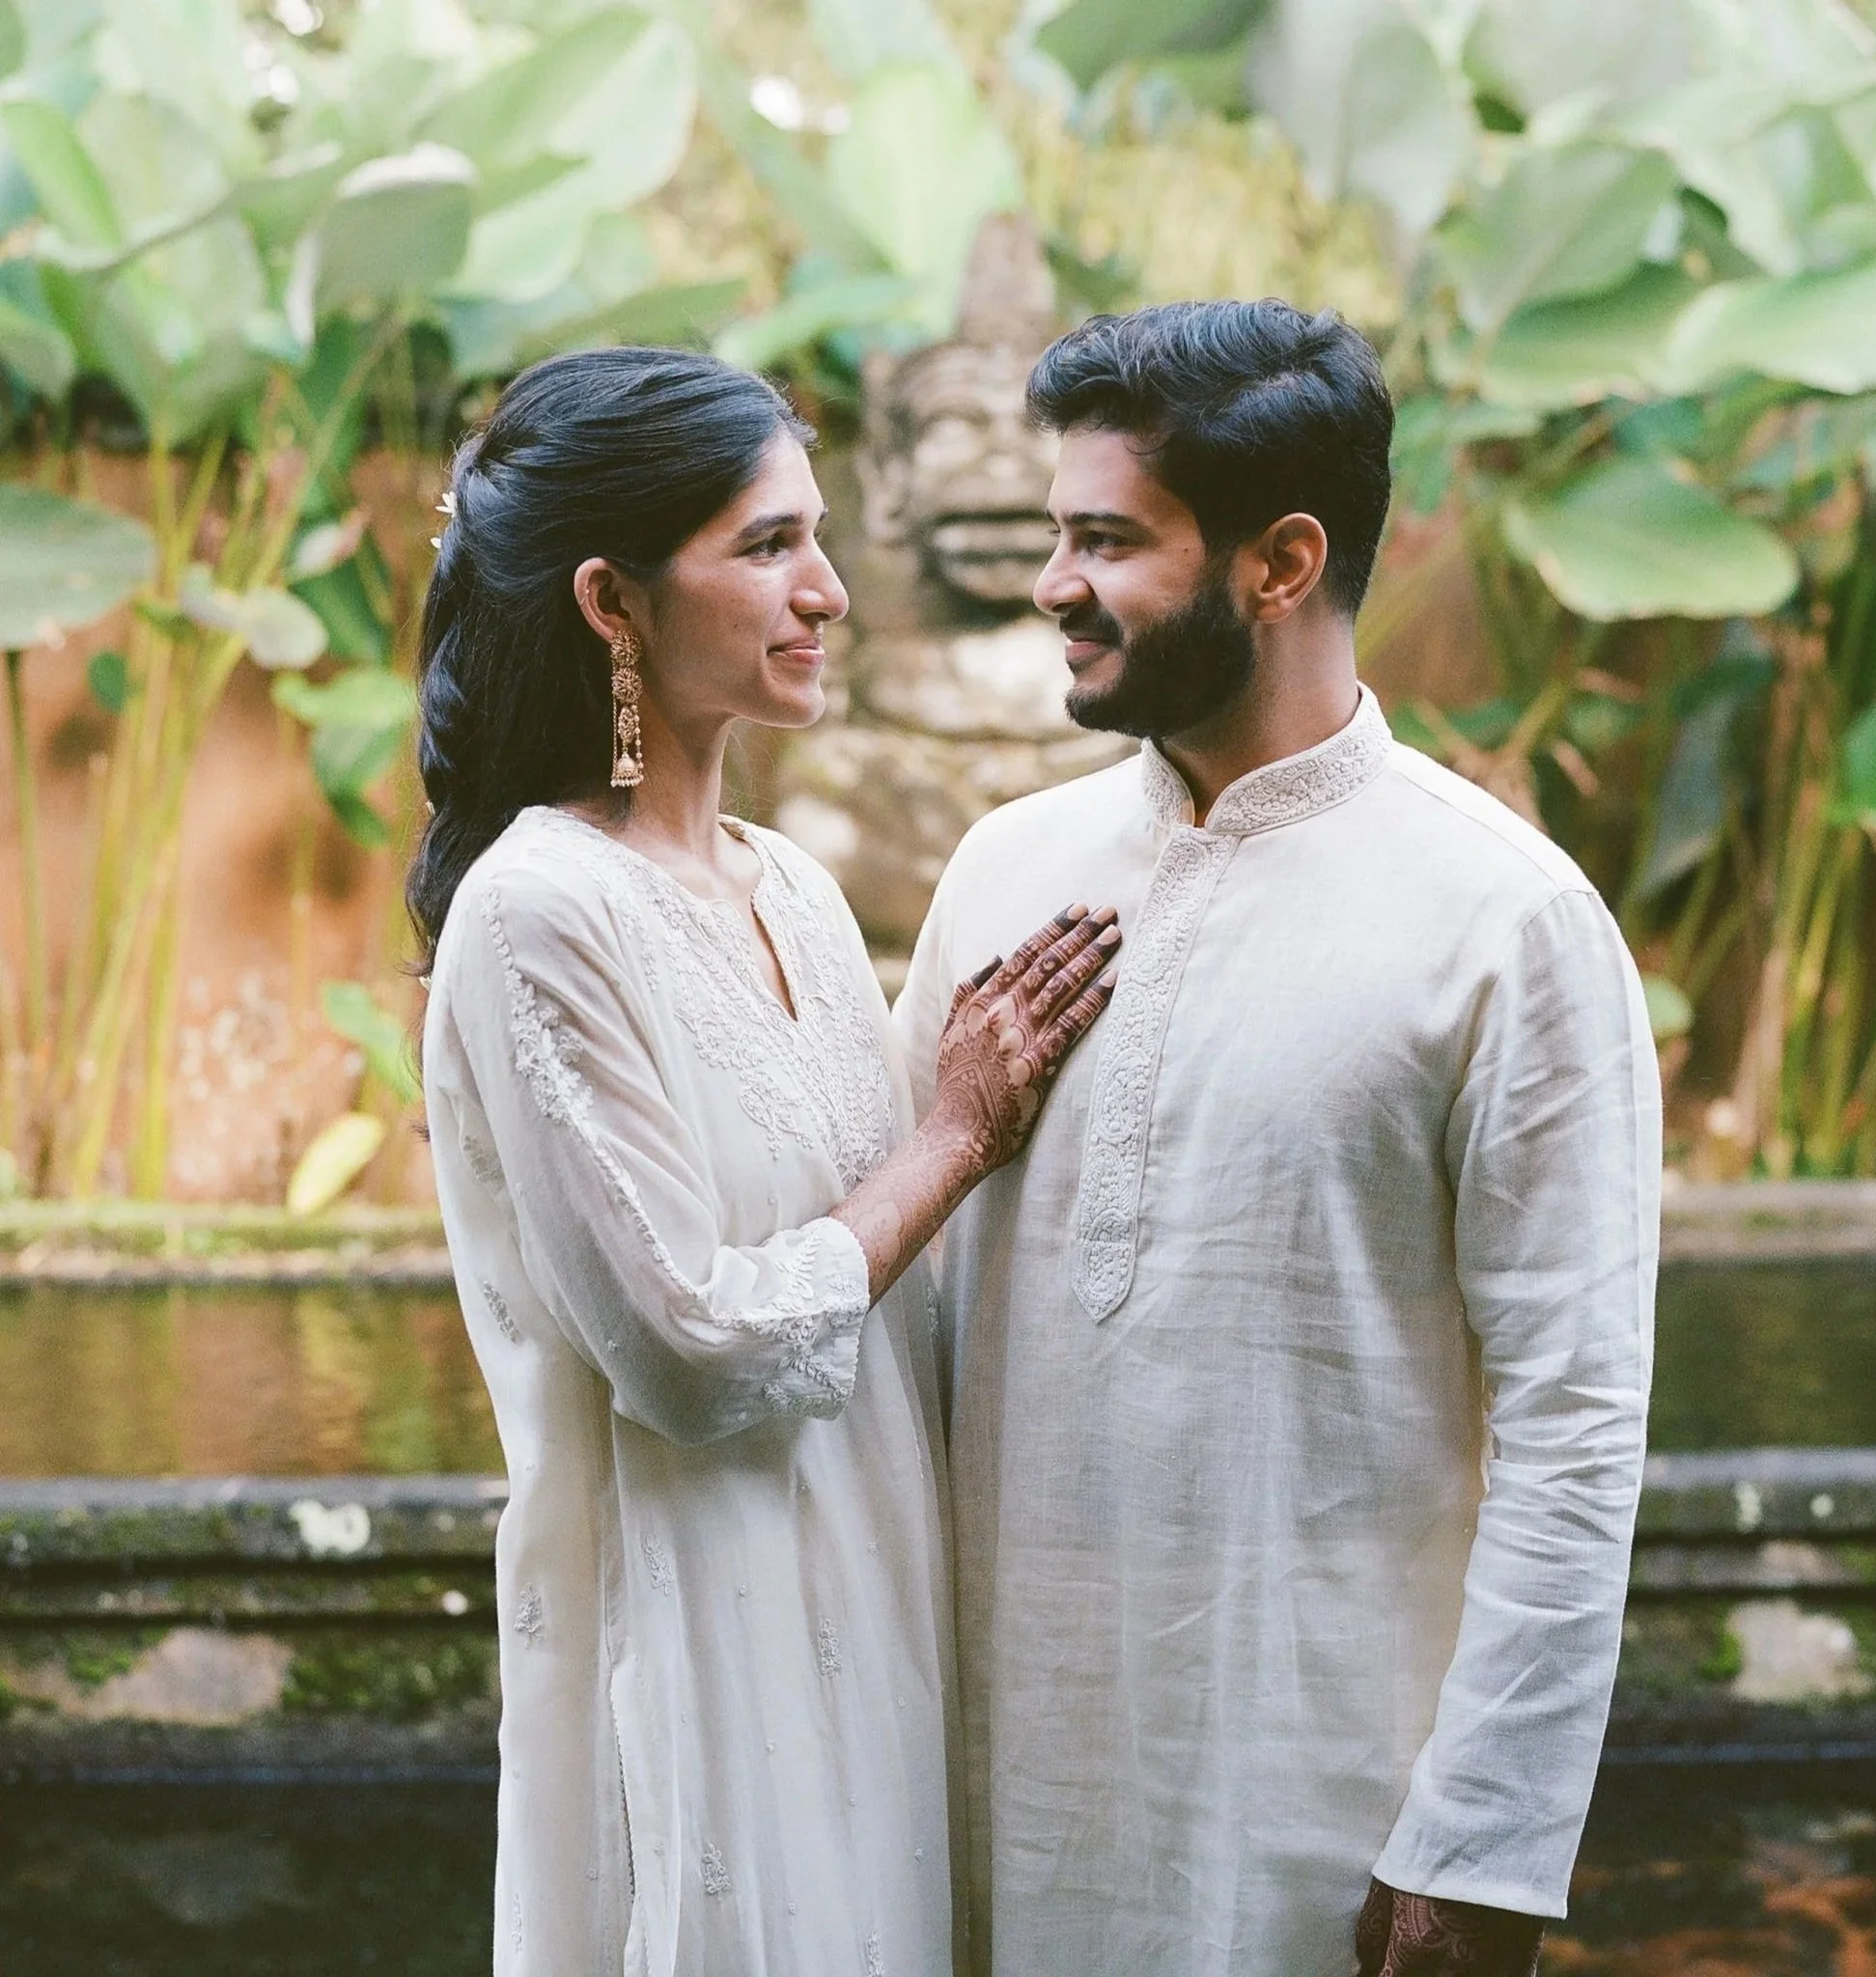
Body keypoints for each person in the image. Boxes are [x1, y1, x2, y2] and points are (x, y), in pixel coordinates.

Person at [894, 301, 1660, 1976]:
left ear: (1282, 559)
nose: (1051, 585)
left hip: (1328, 1807)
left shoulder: (1506, 919)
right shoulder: (1004, 878)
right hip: (995, 1792)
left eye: (1106, 539)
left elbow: (1577, 1423)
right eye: (1055, 534)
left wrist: (1482, 1847)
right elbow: (905, 1326)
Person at [410, 346, 1117, 1977]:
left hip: (880, 1625)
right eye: (767, 546)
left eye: (818, 537)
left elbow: (898, 1301)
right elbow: (690, 1351)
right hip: (702, 1653)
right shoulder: (537, 918)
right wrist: (955, 1133)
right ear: (612, 601)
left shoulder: (792, 886)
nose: (828, 592)